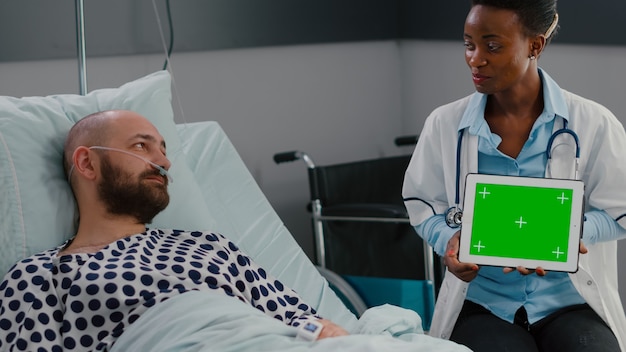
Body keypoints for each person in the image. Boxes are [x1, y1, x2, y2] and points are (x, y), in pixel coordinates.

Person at [0, 110, 349, 351]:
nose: (163, 161)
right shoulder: (38, 275)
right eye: (141, 146)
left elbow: (304, 322)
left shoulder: (210, 246)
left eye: (164, 150)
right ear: (87, 162)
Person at [402, 0, 626, 351]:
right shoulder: (444, 125)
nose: (475, 58)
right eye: (468, 44)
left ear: (534, 45)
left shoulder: (594, 123)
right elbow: (422, 205)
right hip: (482, 305)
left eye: (492, 46)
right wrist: (448, 240)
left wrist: (569, 233)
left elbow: (621, 211)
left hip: (569, 302)